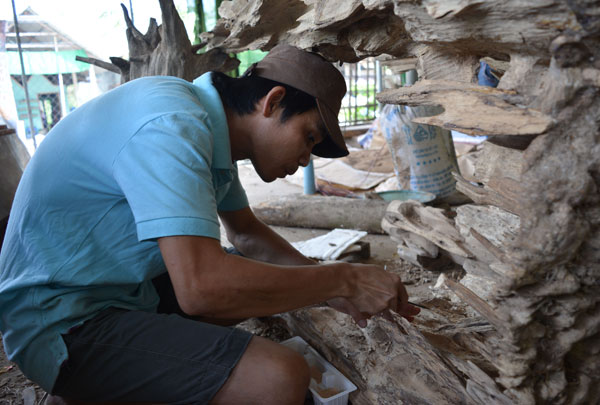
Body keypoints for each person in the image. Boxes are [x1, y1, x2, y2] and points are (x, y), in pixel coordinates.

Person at [0, 45, 419, 404]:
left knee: (243, 270)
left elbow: (246, 234)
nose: (307, 157)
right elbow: (202, 290)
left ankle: (96, 386)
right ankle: (78, 381)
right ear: (271, 102)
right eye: (308, 137)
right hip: (58, 323)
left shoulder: (198, 119)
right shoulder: (173, 126)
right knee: (278, 378)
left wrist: (328, 289)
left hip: (109, 294)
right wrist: (341, 280)